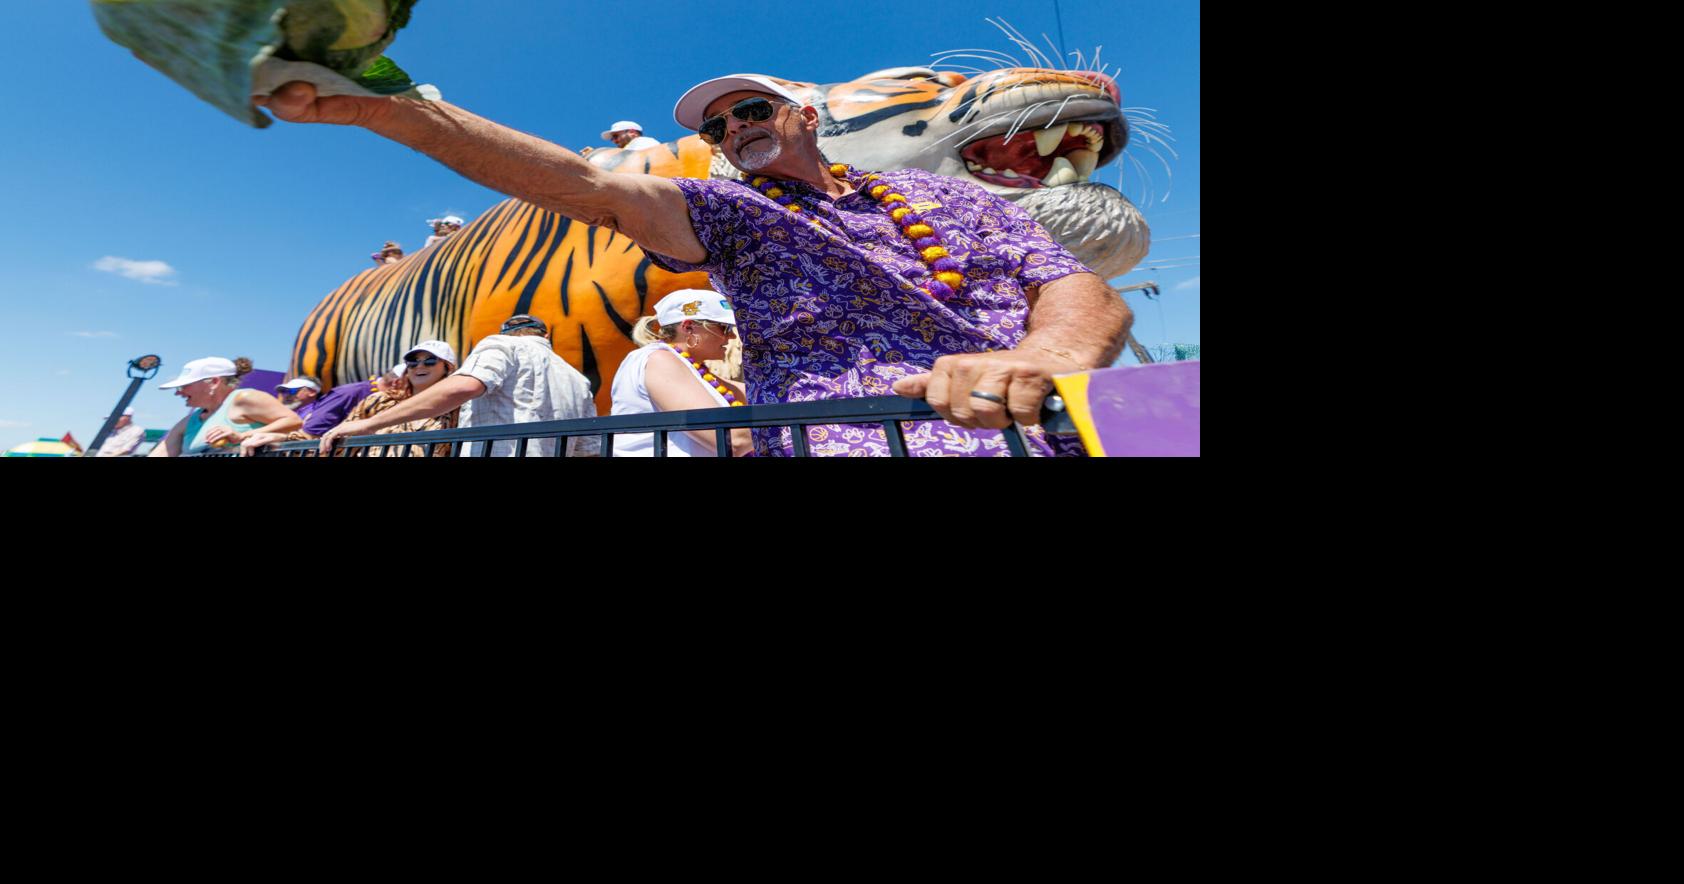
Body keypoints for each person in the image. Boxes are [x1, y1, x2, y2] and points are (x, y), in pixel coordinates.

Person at [259, 71, 1130, 456]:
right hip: (855, 443)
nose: (730, 129)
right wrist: (393, 113)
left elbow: (1075, 289)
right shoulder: (735, 213)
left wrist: (1046, 357)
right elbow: (586, 186)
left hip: (1041, 431)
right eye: (715, 127)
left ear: (806, 116)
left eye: (749, 108)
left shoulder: (951, 201)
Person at [320, 316, 597, 457]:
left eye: (430, 361)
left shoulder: (502, 344)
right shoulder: (577, 379)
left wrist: (369, 425)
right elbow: (587, 448)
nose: (420, 366)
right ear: (546, 335)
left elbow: (464, 387)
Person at [248, 343, 461, 457]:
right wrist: (277, 440)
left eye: (430, 361)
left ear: (447, 368)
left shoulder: (457, 408)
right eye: (413, 362)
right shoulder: (378, 402)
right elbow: (332, 441)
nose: (420, 366)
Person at [613, 290, 752, 457]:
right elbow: (732, 440)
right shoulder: (659, 360)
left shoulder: (689, 367)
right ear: (689, 328)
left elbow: (755, 393)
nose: (730, 336)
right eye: (724, 327)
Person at [149, 357, 301, 456]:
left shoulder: (244, 398)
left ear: (214, 382)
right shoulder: (189, 421)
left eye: (185, 386)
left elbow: (293, 421)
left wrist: (242, 436)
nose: (179, 393)